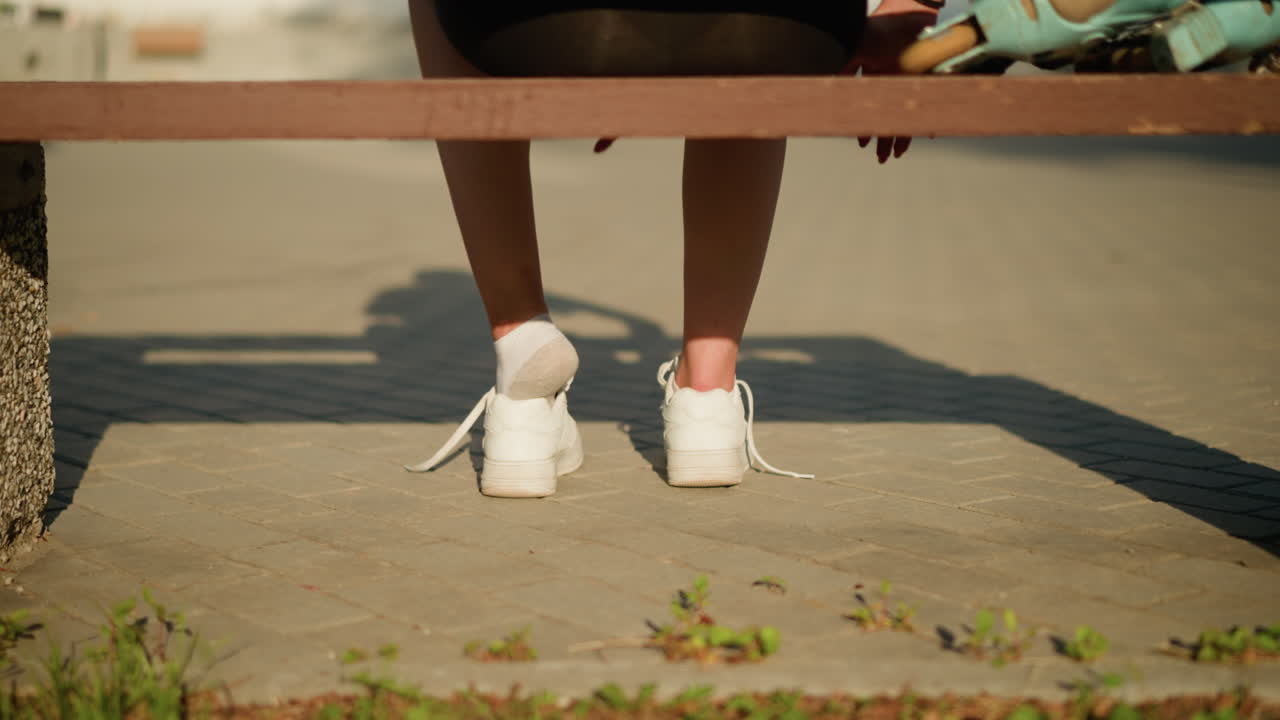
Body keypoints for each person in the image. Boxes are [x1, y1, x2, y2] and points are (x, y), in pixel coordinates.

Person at [404, 1, 941, 498]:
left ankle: (520, 350)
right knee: (753, 35)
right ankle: (706, 391)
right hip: (791, 28)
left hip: (531, 23)